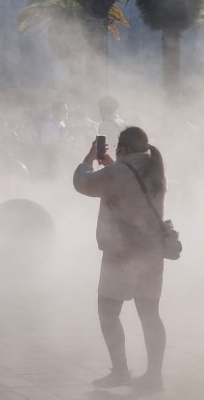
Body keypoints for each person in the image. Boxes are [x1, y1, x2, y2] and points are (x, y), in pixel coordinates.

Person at [73, 126, 168, 392]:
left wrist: (89, 158)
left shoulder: (117, 173)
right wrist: (113, 166)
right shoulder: (154, 168)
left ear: (122, 149)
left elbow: (83, 183)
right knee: (150, 315)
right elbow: (130, 189)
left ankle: (120, 371)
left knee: (108, 312)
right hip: (151, 253)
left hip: (122, 254)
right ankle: (154, 376)